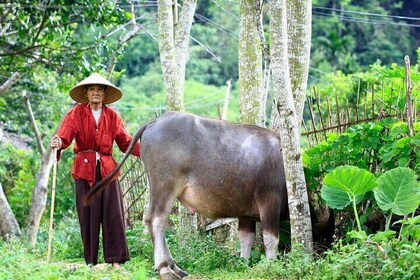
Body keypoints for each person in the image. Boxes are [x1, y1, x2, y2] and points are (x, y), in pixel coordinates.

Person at [50, 73, 140, 269]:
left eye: (100, 89)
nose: (96, 93)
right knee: (87, 215)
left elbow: (125, 142)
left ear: (105, 93)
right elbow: (64, 136)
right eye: (92, 89)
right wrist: (58, 142)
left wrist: (146, 149)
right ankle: (91, 261)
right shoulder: (76, 114)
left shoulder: (113, 116)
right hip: (84, 170)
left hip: (108, 171)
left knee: (113, 214)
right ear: (86, 93)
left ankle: (116, 261)